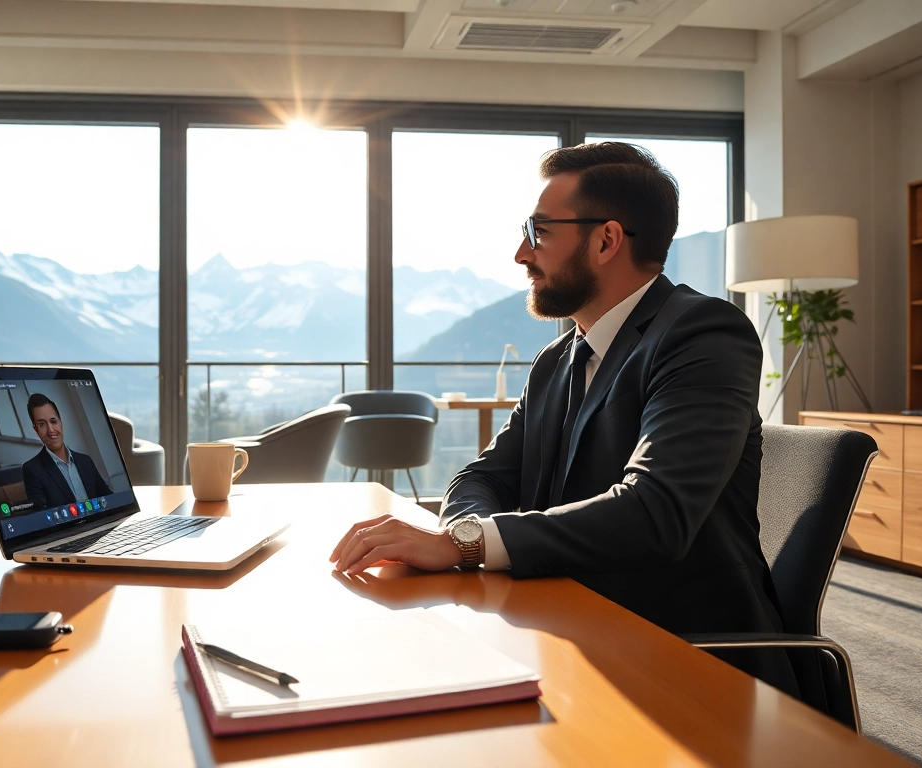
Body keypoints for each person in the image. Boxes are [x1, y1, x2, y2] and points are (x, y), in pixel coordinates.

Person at [330, 142, 798, 696]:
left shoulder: (703, 334)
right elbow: (483, 478)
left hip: (685, 655)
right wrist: (463, 533)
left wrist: (465, 546)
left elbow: (656, 511)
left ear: (606, 240)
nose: (521, 254)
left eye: (539, 232)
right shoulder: (558, 359)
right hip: (563, 628)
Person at [22, 393, 113, 509]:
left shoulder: (85, 461)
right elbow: (41, 516)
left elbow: (108, 499)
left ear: (61, 423)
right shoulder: (32, 469)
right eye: (42, 424)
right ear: (36, 430)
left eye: (53, 421)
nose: (51, 430)